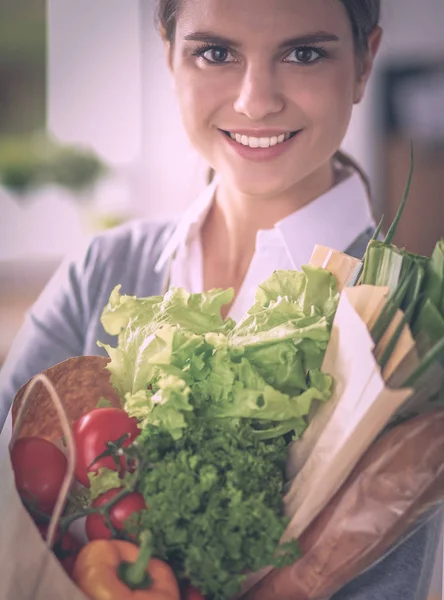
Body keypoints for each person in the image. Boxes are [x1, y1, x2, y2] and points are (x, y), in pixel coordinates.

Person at [0, 0, 441, 597]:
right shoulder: (100, 271)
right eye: (215, 53)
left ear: (365, 64)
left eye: (304, 53)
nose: (255, 100)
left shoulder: (408, 336)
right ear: (169, 55)